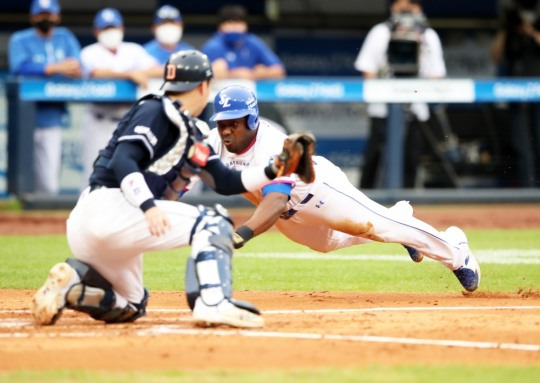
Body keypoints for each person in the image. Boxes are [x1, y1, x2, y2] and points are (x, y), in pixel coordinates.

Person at [32, 50, 305, 329]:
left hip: (99, 226)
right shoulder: (156, 109)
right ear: (203, 86)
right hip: (109, 207)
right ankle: (213, 303)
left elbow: (225, 181)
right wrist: (148, 206)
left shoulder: (192, 131)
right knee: (214, 222)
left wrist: (274, 169)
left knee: (132, 305)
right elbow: (123, 160)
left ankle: (73, 285)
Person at [191, 85, 480, 293]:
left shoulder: (273, 146)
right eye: (222, 124)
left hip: (319, 192)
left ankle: (456, 252)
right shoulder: (214, 142)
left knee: (376, 227)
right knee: (327, 245)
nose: (226, 130)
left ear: (252, 119)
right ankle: (399, 216)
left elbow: (276, 200)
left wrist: (241, 234)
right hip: (287, 216)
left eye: (234, 123)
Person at [354, 0, 446, 188]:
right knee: (375, 157)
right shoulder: (380, 32)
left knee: (411, 159)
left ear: (418, 8)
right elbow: (368, 71)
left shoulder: (428, 35)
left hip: (416, 108)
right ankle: (366, 200)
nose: (405, 12)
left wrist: (411, 90)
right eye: (400, 6)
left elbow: (436, 76)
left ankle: (406, 204)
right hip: (382, 109)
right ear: (392, 8)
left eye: (409, 6)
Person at [79, 7, 163, 189]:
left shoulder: (133, 50)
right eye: (105, 28)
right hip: (99, 120)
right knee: (93, 172)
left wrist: (139, 72)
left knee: (129, 171)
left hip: (127, 122)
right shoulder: (89, 51)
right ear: (96, 31)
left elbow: (159, 69)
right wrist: (129, 75)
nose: (110, 32)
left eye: (113, 27)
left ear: (122, 29)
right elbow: (95, 73)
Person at [8, 0, 82, 195]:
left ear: (57, 16)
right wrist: (55, 68)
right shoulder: (20, 39)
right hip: (23, 120)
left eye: (49, 14)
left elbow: (77, 66)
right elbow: (19, 67)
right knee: (21, 178)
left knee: (49, 183)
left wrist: (63, 69)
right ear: (33, 17)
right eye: (41, 14)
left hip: (51, 117)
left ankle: (42, 220)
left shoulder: (65, 37)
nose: (46, 18)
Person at [491, 0, 540, 187]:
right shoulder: (510, 33)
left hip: (538, 88)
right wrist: (506, 28)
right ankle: (528, 189)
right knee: (521, 145)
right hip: (516, 90)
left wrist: (532, 31)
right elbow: (495, 56)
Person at [201, 4, 286, 80]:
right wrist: (232, 74)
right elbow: (200, 77)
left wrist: (255, 74)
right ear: (220, 26)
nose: (234, 27)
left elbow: (279, 71)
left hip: (251, 92)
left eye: (238, 23)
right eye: (229, 23)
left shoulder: (253, 42)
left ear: (246, 26)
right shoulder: (213, 46)